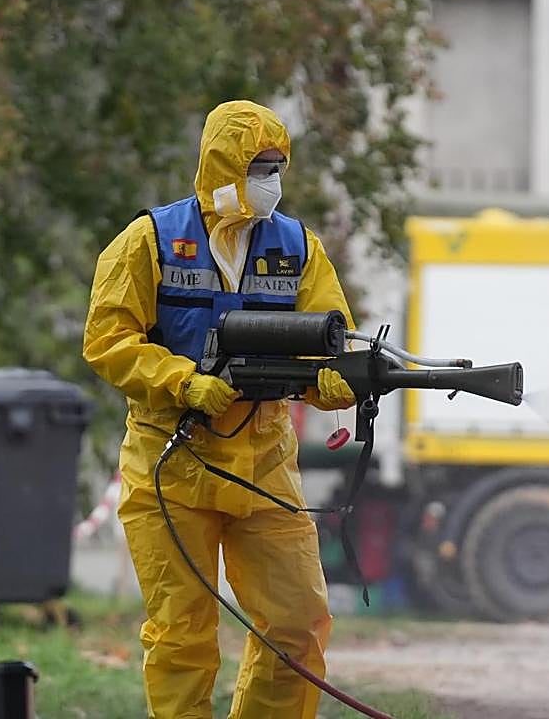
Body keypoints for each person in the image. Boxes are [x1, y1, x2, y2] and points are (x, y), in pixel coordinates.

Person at [83, 100, 357, 718]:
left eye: (278, 167)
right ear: (224, 165)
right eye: (260, 166)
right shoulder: (149, 241)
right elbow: (108, 340)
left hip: (263, 464)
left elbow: (331, 342)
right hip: (170, 466)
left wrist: (335, 384)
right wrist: (182, 381)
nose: (272, 181)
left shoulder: (297, 247)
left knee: (298, 626)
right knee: (183, 635)